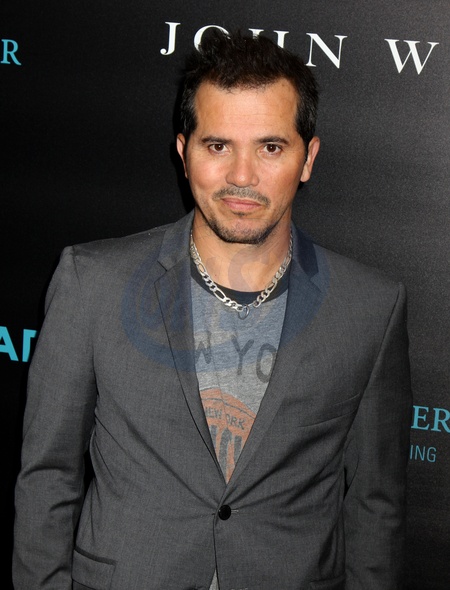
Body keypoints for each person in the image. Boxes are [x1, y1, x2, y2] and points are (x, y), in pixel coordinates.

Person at [13, 30, 411, 590]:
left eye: (270, 148)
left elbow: (376, 507)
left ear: (308, 158)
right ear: (184, 153)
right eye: (218, 146)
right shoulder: (92, 283)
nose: (242, 177)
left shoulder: (370, 308)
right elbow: (47, 477)